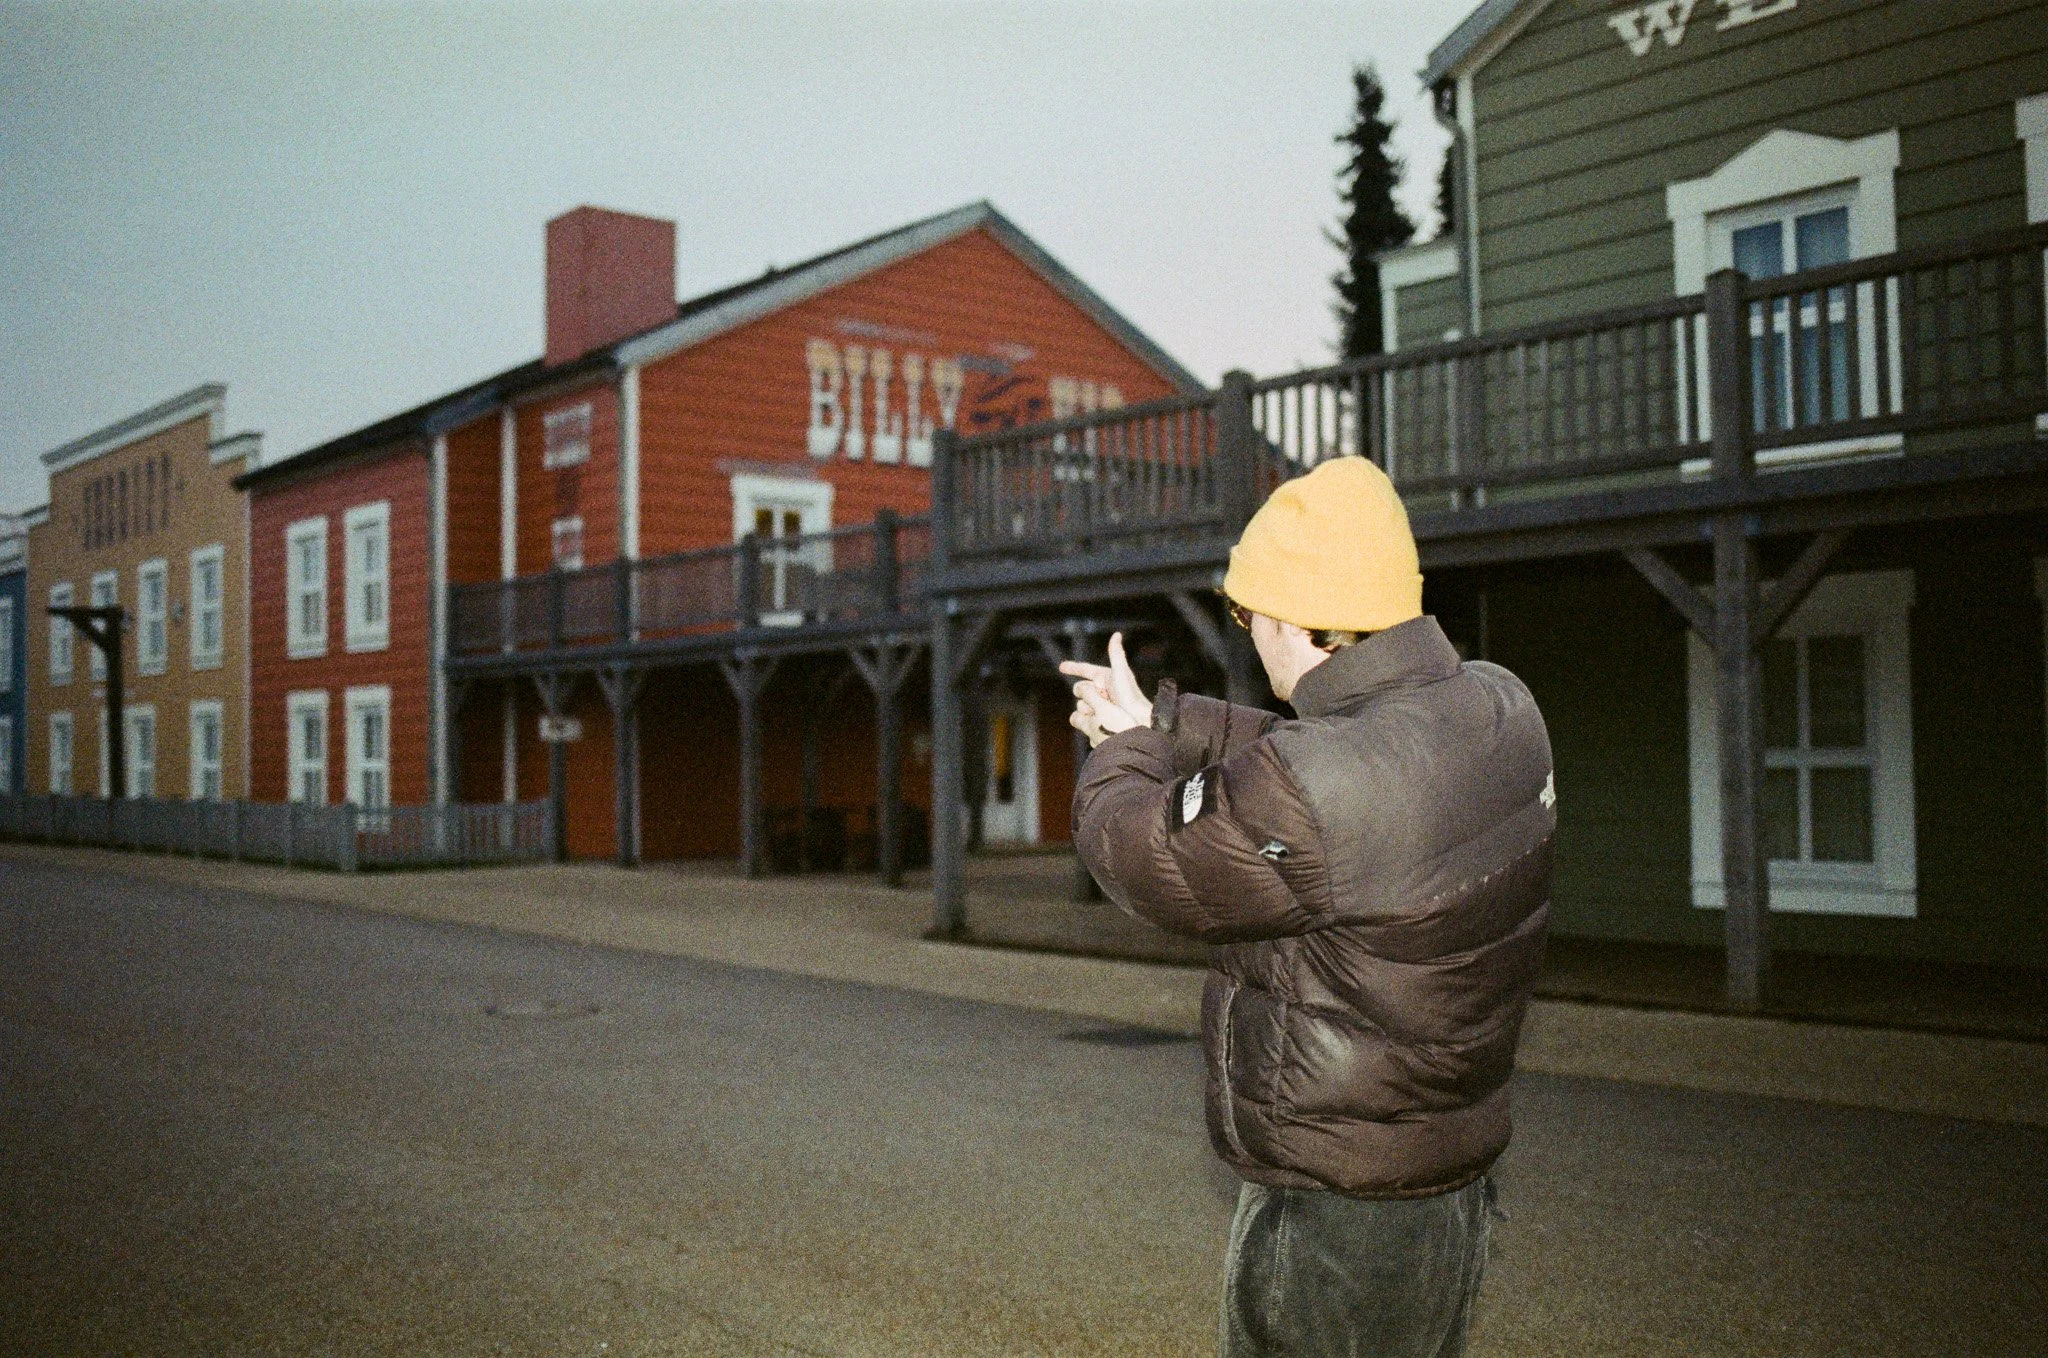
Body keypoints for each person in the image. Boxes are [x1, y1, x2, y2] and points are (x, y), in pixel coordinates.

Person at [1058, 456, 1554, 1358]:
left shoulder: (1321, 789)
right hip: (1445, 1174)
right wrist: (1168, 726)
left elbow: (1140, 857)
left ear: (1295, 619)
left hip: (1338, 1204)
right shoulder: (1497, 705)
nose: (1249, 636)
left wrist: (1122, 754)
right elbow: (1335, 753)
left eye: (1248, 616)